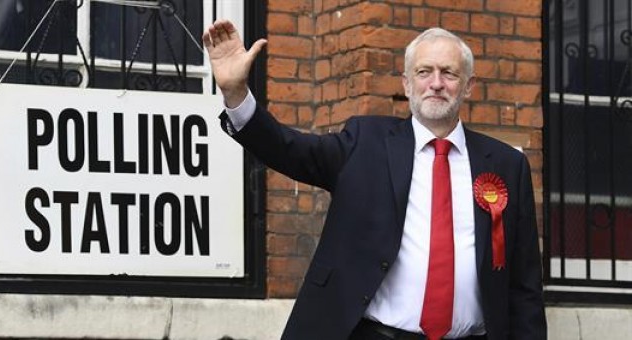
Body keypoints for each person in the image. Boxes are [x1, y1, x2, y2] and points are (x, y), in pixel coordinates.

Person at [203, 20, 546, 340]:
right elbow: (288, 149)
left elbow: (524, 284)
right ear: (407, 83)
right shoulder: (365, 142)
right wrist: (237, 95)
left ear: (469, 86)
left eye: (449, 73)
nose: (436, 83)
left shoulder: (506, 165)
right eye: (424, 72)